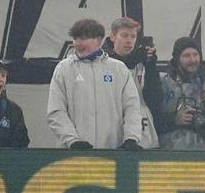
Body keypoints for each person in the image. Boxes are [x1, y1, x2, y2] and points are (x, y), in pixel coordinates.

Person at [47, 18, 143, 150]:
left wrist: (131, 138)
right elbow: (56, 111)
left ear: (98, 40)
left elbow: (132, 108)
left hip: (112, 152)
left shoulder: (118, 69)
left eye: (84, 38)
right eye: (76, 38)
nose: (78, 43)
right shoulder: (63, 69)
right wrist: (73, 141)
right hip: (73, 155)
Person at [102, 17, 162, 149]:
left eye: (133, 36)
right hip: (110, 129)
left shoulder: (142, 62)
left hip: (142, 131)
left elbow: (155, 100)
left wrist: (151, 67)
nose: (129, 40)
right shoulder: (101, 63)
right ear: (112, 37)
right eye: (124, 35)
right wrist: (129, 63)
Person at [158, 36, 205, 150]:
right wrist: (174, 119)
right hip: (170, 151)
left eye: (195, 54)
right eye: (186, 56)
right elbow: (153, 118)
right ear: (177, 59)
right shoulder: (163, 82)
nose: (193, 60)